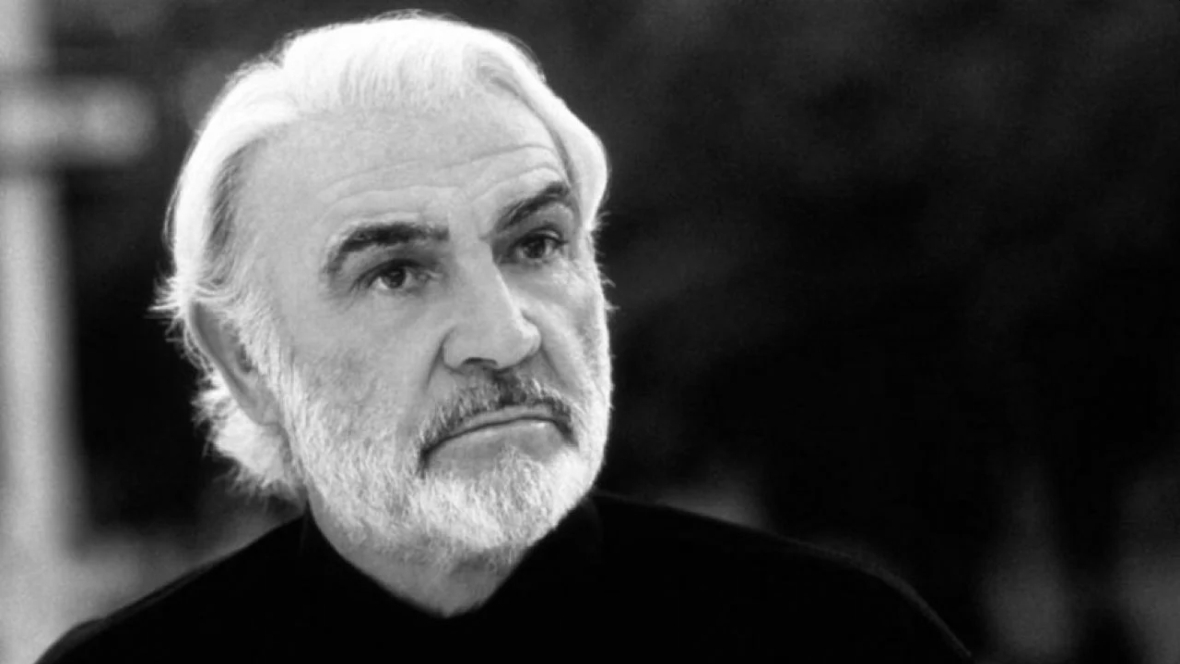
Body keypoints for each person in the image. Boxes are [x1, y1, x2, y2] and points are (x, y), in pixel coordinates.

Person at [39, 12, 971, 662]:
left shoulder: (837, 637)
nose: (504, 334)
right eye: (395, 273)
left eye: (537, 245)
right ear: (246, 359)